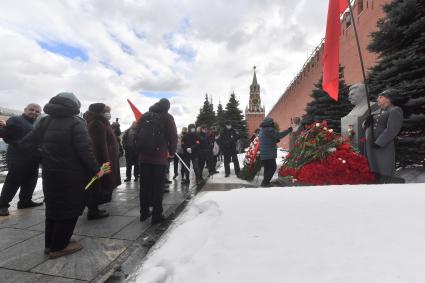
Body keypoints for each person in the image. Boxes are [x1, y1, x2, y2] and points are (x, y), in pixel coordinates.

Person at [19, 92, 107, 258]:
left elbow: (27, 143)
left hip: (50, 173)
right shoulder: (76, 122)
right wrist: (97, 170)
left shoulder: (44, 120)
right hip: (72, 175)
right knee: (70, 208)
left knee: (53, 207)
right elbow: (85, 151)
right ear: (74, 105)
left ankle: (50, 244)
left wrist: (44, 156)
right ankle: (59, 247)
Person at [138, 98, 177, 224]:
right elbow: (173, 137)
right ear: (167, 107)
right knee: (158, 187)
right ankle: (157, 214)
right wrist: (171, 152)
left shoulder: (145, 116)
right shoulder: (167, 117)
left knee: (144, 186)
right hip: (159, 158)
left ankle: (144, 212)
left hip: (143, 158)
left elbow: (138, 134)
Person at [0, 103, 43, 216]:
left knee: (31, 180)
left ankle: (25, 202)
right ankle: (2, 205)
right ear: (25, 110)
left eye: (37, 111)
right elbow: (5, 134)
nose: (34, 112)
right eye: (31, 110)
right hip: (17, 156)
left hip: (33, 157)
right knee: (13, 181)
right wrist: (18, 144)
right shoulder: (16, 120)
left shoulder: (37, 124)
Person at [84, 103, 121, 220]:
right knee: (97, 184)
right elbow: (99, 146)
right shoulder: (97, 123)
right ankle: (93, 211)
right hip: (101, 162)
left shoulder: (100, 122)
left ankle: (94, 208)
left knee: (98, 185)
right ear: (100, 111)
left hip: (104, 160)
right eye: (106, 111)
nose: (108, 113)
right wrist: (105, 164)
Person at [363, 89, 404, 183]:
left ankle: (386, 179)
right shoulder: (376, 111)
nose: (378, 99)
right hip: (370, 143)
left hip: (382, 144)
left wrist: (379, 142)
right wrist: (366, 122)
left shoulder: (395, 110)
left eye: (381, 97)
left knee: (383, 163)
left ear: (388, 99)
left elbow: (392, 129)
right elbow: (365, 125)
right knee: (372, 164)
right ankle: (375, 179)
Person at [259, 118, 292, 187]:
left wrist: (274, 140)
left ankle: (265, 182)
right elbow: (279, 135)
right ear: (270, 123)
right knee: (273, 167)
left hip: (264, 154)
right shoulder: (269, 129)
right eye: (272, 123)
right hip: (269, 153)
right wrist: (288, 130)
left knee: (267, 168)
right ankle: (265, 182)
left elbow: (267, 140)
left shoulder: (262, 130)